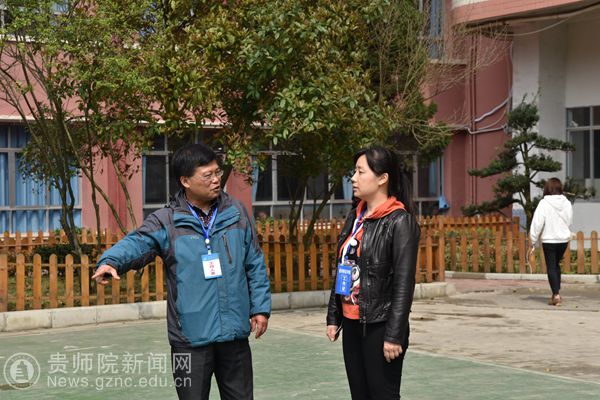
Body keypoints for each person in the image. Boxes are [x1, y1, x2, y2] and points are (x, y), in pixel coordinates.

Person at [92, 143, 271, 400]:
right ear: (185, 181)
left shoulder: (236, 213)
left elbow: (254, 262)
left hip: (234, 335)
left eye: (217, 172)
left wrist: (260, 308)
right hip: (188, 340)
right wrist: (111, 261)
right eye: (207, 175)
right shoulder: (167, 220)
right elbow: (137, 242)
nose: (216, 180)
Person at [326, 146, 420, 400]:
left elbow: (404, 284)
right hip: (352, 323)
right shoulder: (355, 217)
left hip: (381, 325)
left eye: (360, 172)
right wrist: (334, 316)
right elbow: (343, 266)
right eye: (354, 172)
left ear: (382, 178)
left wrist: (394, 335)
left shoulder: (399, 221)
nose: (353, 178)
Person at [529, 177, 573, 306]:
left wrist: (532, 240)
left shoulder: (544, 203)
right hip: (563, 240)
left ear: (548, 189)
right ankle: (556, 293)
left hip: (549, 240)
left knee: (551, 266)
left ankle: (556, 295)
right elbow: (569, 220)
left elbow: (537, 223)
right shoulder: (567, 203)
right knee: (556, 264)